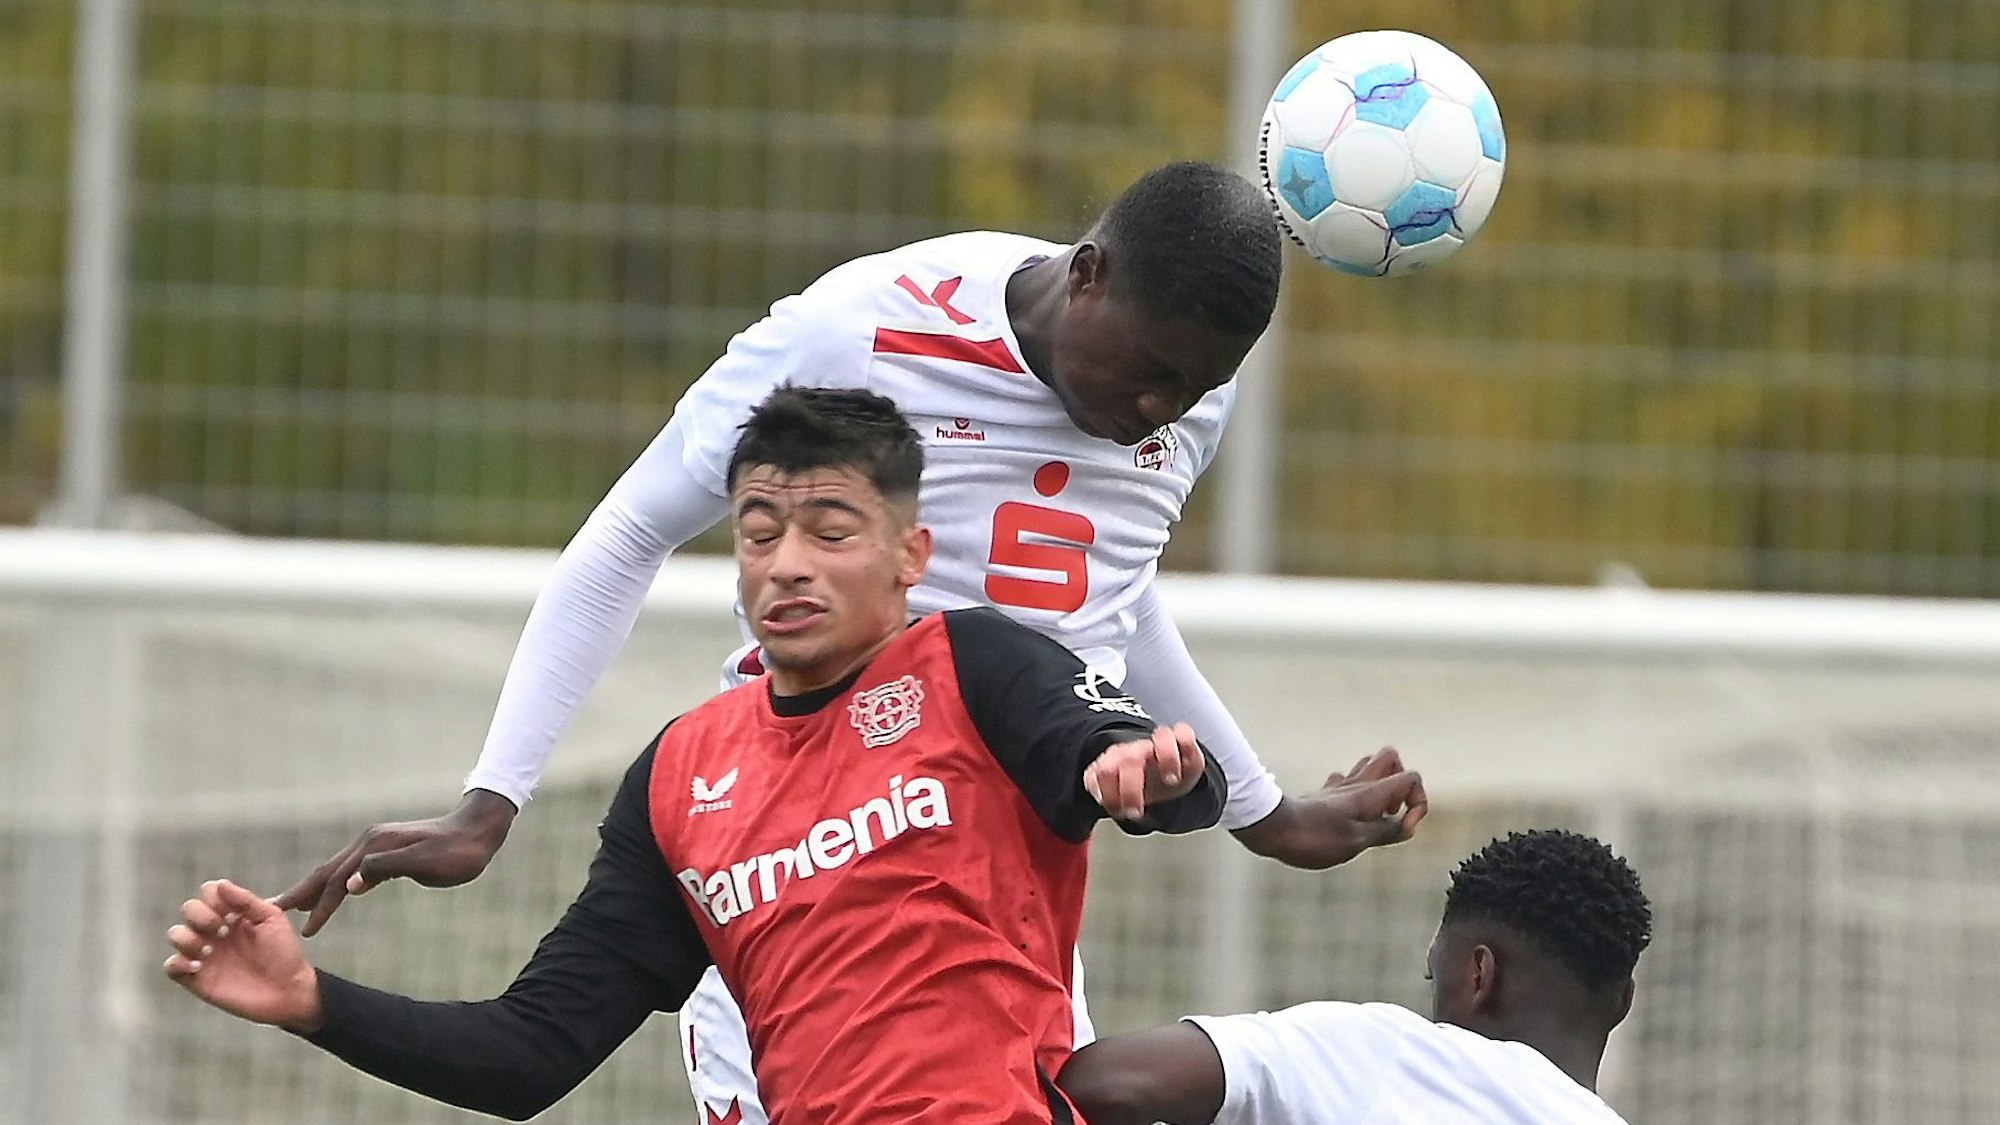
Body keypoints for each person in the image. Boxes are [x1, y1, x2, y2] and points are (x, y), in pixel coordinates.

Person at [277, 160, 1425, 1123]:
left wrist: (1253, 806)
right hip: (788, 847)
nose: (1155, 415)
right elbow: (630, 531)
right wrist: (493, 797)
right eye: (1152, 375)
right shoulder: (859, 328)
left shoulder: (1178, 399)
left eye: (1194, 390)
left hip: (1002, 892)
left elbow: (1105, 601)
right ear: (1087, 276)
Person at [167, 386, 1246, 1124]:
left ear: (910, 554)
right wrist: (312, 998)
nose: (786, 564)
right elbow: (529, 1054)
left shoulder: (974, 663)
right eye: (758, 529)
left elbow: (1126, 758)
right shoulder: (682, 775)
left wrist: (1144, 777)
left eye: (830, 530)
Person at [1056, 829, 1652, 1125]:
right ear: (1622, 1002)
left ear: (1478, 975)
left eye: (1432, 975)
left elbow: (1109, 1082)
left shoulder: (1391, 1052)